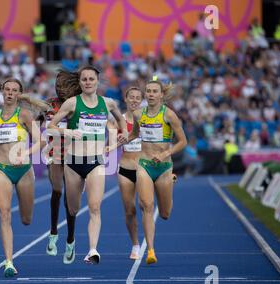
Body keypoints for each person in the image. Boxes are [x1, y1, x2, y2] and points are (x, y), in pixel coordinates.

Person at [48, 66, 128, 264]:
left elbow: (120, 118)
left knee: (94, 207)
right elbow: (51, 126)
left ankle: (93, 250)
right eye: (84, 79)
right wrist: (66, 132)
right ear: (80, 82)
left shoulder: (108, 103)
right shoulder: (71, 103)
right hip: (73, 162)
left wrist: (124, 131)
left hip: (95, 162)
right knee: (73, 209)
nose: (88, 82)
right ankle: (70, 239)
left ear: (97, 81)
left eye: (91, 79)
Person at [0, 78, 42, 277]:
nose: (9, 93)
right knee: (4, 214)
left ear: (18, 94)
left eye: (14, 90)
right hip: (3, 169)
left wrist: (26, 154)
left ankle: (25, 219)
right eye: (7, 89)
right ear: (2, 91)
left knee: (26, 219)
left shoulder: (24, 114)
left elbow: (40, 141)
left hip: (23, 170)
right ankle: (9, 262)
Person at [122, 77, 187, 265]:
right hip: (144, 165)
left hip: (164, 167)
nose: (150, 94)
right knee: (147, 205)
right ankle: (150, 250)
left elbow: (183, 141)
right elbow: (135, 133)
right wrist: (122, 141)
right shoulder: (138, 113)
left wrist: (167, 152)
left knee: (165, 213)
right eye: (148, 91)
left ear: (161, 95)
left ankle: (170, 181)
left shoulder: (169, 115)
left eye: (154, 91)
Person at [42, 70, 82, 264]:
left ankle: (71, 239)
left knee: (70, 200)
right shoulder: (48, 103)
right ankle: (53, 232)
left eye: (62, 83)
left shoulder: (78, 103)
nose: (58, 86)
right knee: (57, 190)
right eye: (56, 83)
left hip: (75, 155)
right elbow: (37, 124)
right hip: (55, 155)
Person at [106, 87, 144, 259]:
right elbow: (111, 144)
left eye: (138, 97)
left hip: (145, 168)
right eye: (132, 97)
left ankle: (149, 245)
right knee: (130, 210)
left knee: (146, 206)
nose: (135, 100)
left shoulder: (147, 119)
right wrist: (115, 141)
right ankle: (135, 245)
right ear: (126, 99)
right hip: (126, 168)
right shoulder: (118, 121)